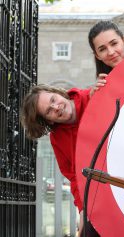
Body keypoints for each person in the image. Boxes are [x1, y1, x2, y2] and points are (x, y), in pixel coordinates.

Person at [20, 84, 99, 237]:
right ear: (48, 121)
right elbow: (74, 176)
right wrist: (83, 210)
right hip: (98, 198)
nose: (56, 107)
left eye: (53, 99)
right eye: (49, 111)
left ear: (58, 93)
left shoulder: (94, 96)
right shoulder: (57, 139)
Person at [88, 20, 124, 93]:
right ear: (97, 56)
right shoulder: (100, 89)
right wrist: (96, 99)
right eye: (102, 49)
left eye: (114, 43)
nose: (111, 52)